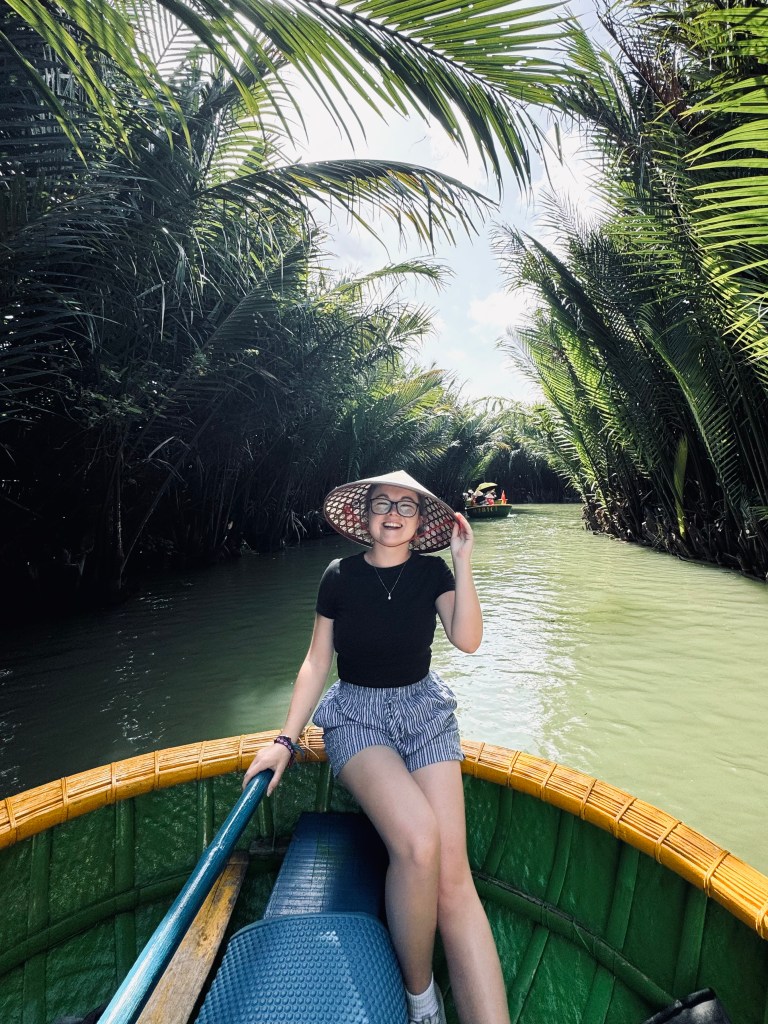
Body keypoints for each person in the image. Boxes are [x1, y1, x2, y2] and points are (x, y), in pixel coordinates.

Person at [243, 470, 511, 1024]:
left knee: (453, 879)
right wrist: (285, 740)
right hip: (358, 717)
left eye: (406, 507)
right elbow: (317, 661)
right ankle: (421, 997)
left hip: (424, 712)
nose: (393, 513)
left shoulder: (433, 572)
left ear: (420, 522)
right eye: (382, 504)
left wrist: (464, 561)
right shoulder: (338, 576)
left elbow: (468, 639)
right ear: (364, 517)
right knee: (418, 843)